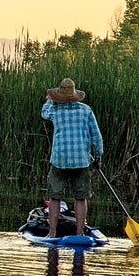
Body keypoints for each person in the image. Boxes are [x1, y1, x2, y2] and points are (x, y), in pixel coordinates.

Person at [41, 78, 103, 238]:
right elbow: (96, 137)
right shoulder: (86, 110)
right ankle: (80, 233)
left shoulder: (55, 110)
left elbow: (44, 113)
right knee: (81, 198)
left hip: (59, 160)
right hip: (81, 160)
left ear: (59, 96)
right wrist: (98, 158)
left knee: (55, 197)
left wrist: (49, 101)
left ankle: (52, 233)